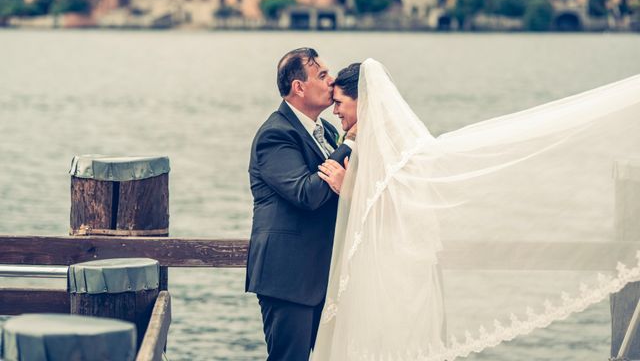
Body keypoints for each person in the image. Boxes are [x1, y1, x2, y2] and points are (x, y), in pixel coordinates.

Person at [312, 58, 640, 360]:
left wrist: (349, 190)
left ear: (364, 102)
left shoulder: (400, 151)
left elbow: (404, 211)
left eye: (339, 103)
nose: (335, 112)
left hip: (397, 273)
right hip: (378, 268)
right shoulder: (370, 144)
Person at [246, 47, 355, 361]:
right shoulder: (275, 135)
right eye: (322, 75)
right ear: (299, 87)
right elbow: (307, 194)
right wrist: (349, 143)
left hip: (324, 276)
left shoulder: (328, 131)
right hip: (288, 278)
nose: (331, 80)